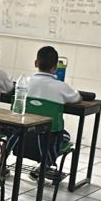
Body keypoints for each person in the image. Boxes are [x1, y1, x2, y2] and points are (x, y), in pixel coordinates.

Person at [17, 45, 79, 178]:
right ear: (55, 68)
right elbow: (76, 98)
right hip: (48, 140)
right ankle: (44, 166)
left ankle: (2, 163)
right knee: (65, 136)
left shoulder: (24, 83)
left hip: (22, 138)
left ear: (35, 63)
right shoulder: (61, 87)